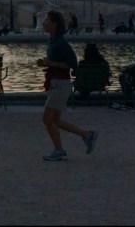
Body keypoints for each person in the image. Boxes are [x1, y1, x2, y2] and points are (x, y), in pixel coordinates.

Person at [36, 10, 97, 161]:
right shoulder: (53, 41)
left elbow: (73, 64)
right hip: (57, 83)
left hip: (61, 84)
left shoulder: (60, 43)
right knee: (55, 120)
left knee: (46, 118)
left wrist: (51, 63)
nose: (43, 23)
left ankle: (59, 150)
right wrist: (46, 64)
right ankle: (86, 135)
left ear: (54, 23)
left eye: (46, 21)